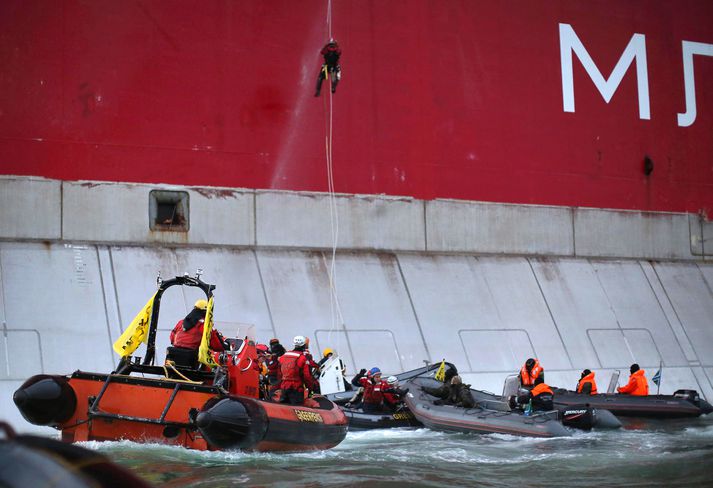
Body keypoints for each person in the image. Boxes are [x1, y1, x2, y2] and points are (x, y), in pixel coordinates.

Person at [168, 299, 227, 367]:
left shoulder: (181, 322)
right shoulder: (204, 325)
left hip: (174, 356)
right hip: (191, 359)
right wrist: (225, 346)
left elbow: (172, 338)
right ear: (206, 312)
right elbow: (216, 345)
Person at [278, 335, 320, 405]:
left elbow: (279, 373)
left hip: (284, 387)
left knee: (284, 408)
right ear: (304, 345)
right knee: (297, 409)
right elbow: (307, 376)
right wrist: (310, 388)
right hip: (296, 388)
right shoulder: (302, 358)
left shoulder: (284, 356)